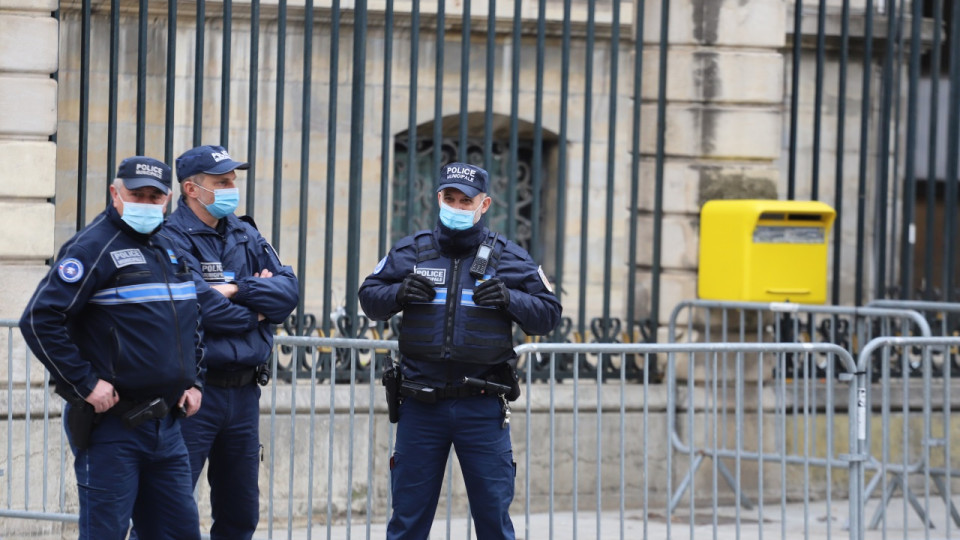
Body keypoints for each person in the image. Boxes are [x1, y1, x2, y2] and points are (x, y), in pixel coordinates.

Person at [358, 162, 562, 539]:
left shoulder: (509, 257)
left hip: (481, 407)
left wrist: (510, 298)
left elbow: (548, 315)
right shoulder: (412, 251)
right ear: (438, 198)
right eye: (449, 198)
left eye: (465, 201)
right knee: (406, 523)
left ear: (484, 205)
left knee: (493, 523)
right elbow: (369, 299)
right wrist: (398, 293)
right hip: (421, 406)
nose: (456, 206)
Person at [19, 156, 205, 540]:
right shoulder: (92, 248)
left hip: (167, 427)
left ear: (168, 200)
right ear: (114, 194)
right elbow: (40, 319)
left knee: (179, 533)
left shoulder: (170, 248)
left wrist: (194, 380)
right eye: (137, 194)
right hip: (114, 429)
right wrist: (85, 383)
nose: (146, 203)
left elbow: (191, 320)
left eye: (155, 196)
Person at [163, 144, 299, 540]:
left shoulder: (247, 233)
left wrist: (235, 288)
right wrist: (258, 309)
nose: (231, 187)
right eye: (221, 182)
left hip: (243, 397)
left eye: (233, 180)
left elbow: (288, 294)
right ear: (192, 189)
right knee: (168, 512)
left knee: (241, 514)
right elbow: (197, 310)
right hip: (193, 394)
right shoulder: (170, 239)